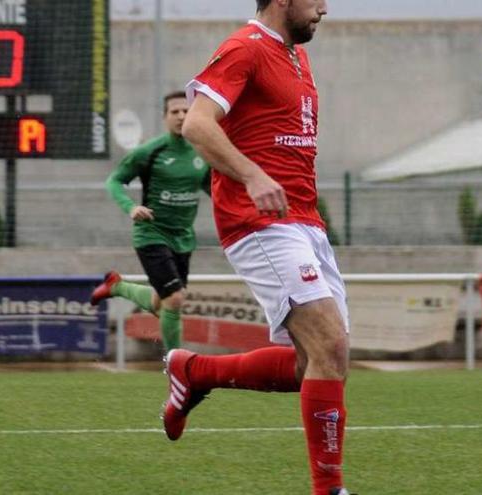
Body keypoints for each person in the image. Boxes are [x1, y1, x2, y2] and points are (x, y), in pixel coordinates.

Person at [165, 1, 354, 494]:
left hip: (305, 223)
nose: (324, 8)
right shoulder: (243, 49)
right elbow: (197, 124)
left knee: (315, 362)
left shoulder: (296, 56)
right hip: (260, 222)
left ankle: (194, 371)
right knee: (329, 346)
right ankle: (328, 490)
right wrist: (252, 175)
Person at [90, 91, 211, 352]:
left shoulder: (203, 151)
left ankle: (117, 286)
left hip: (183, 237)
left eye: (186, 111)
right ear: (165, 117)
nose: (181, 116)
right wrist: (131, 207)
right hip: (152, 234)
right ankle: (177, 367)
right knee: (176, 299)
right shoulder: (150, 151)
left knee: (161, 302)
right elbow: (114, 181)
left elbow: (213, 188)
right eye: (174, 112)